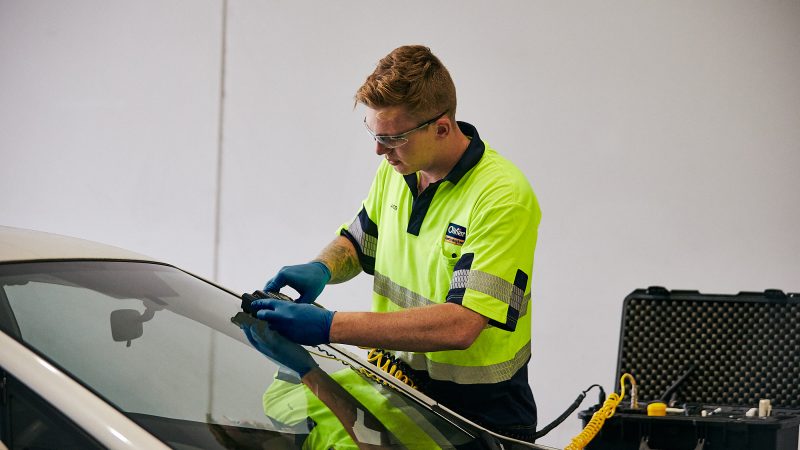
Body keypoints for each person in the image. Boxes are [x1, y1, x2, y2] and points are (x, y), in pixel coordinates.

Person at [251, 44, 542, 442]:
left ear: (441, 128)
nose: (379, 150)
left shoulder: (501, 196)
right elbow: (359, 241)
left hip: (474, 421)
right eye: (374, 133)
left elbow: (462, 325)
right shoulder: (399, 169)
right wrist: (322, 267)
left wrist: (330, 326)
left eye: (393, 138)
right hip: (397, 392)